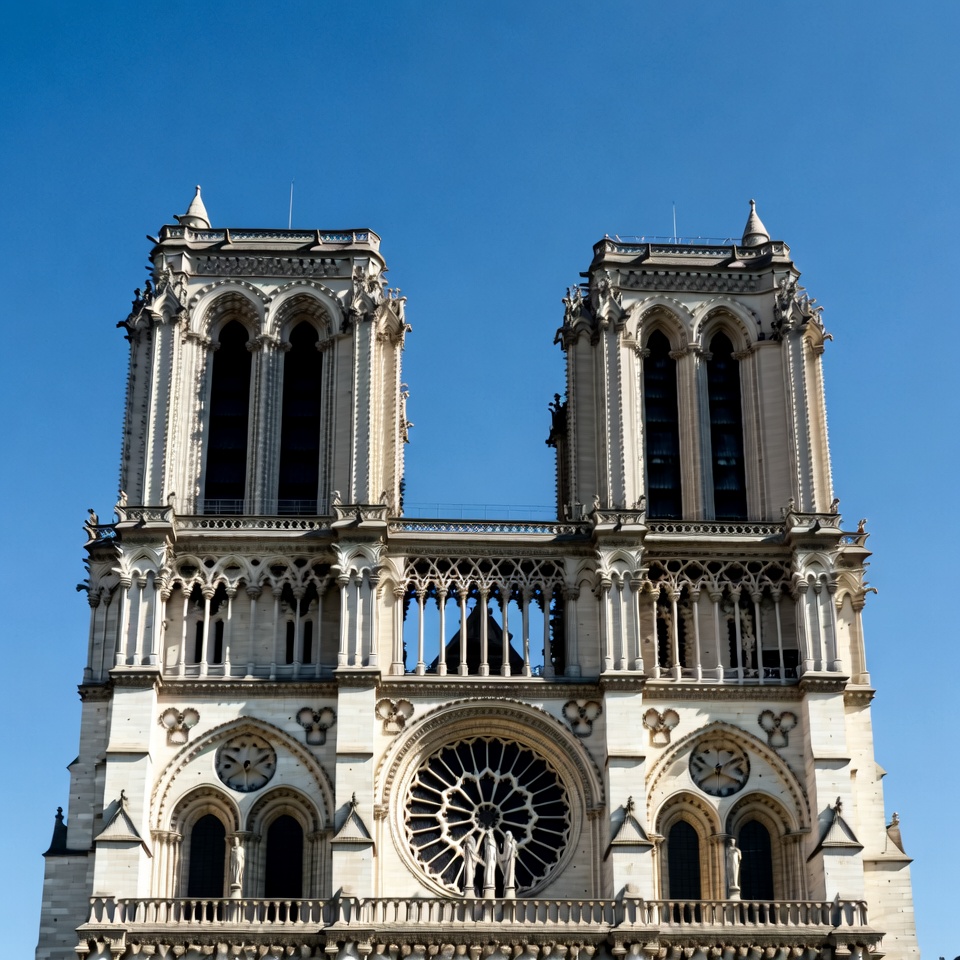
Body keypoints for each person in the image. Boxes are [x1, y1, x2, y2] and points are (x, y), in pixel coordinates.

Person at [499, 830, 518, 895]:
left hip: (511, 861)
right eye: (507, 836)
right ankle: (507, 890)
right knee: (508, 877)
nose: (509, 837)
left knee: (509, 877)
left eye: (509, 836)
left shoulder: (510, 844)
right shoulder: (508, 844)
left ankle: (508, 890)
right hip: (508, 862)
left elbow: (514, 853)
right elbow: (506, 857)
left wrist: (514, 848)